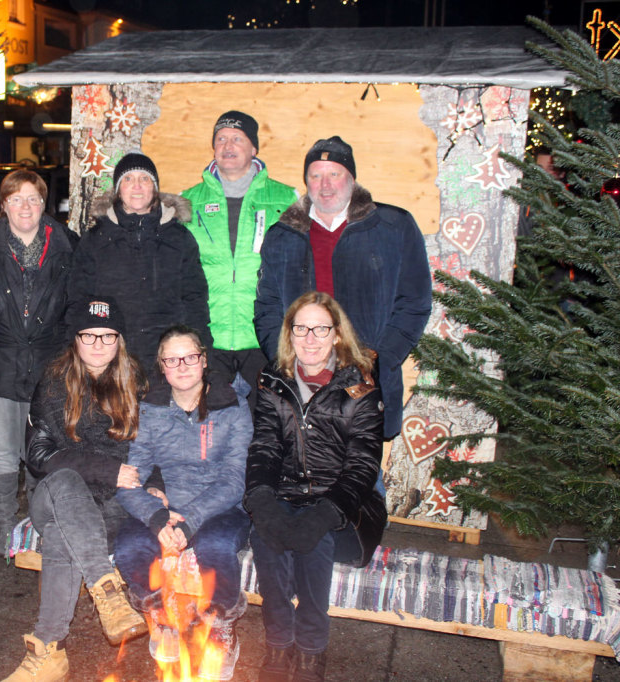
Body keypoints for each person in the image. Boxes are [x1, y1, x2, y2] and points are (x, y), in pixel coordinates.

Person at [3, 297, 148, 682]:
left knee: (63, 537)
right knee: (66, 483)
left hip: (108, 511)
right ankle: (109, 594)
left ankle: (49, 651)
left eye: (107, 336)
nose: (98, 345)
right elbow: (37, 455)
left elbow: (152, 450)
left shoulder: (137, 382)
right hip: (53, 497)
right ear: (75, 339)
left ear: (120, 340)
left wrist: (158, 488)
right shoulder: (53, 382)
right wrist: (106, 467)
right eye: (89, 335)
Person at [244, 292, 387, 682]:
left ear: (337, 335)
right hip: (287, 493)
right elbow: (265, 447)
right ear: (289, 334)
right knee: (266, 535)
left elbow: (362, 466)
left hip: (344, 504)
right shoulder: (275, 379)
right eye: (301, 328)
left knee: (315, 541)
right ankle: (277, 642)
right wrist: (261, 500)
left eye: (320, 329)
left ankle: (310, 650)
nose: (310, 338)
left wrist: (324, 513)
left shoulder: (361, 385)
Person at [254, 136, 432, 439]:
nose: (325, 185)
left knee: (361, 477)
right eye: (315, 175)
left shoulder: (393, 226)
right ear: (306, 181)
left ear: (351, 178)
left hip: (365, 383)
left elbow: (414, 303)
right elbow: (267, 306)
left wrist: (378, 360)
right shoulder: (283, 233)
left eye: (334, 174)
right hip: (302, 380)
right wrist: (284, 358)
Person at [114, 325, 252, 680]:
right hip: (168, 507)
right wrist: (158, 517)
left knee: (216, 544)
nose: (183, 366)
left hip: (220, 508)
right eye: (172, 360)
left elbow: (235, 479)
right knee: (129, 545)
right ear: (161, 366)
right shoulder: (151, 410)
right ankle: (161, 615)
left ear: (204, 360)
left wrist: (189, 521)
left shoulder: (232, 407)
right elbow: (129, 478)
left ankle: (220, 623)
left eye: (190, 357)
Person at [0, 169, 75, 556]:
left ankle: (38, 527)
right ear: (4, 206)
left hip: (50, 367)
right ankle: (3, 528)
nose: (25, 207)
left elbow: (73, 309)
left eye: (33, 198)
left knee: (40, 450)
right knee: (2, 451)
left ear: (43, 204)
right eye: (16, 198)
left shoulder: (67, 249)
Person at [182, 111, 297, 404]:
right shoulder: (187, 202)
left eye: (237, 138)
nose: (227, 145)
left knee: (269, 429)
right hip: (209, 338)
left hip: (265, 337)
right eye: (220, 139)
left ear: (253, 148)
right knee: (212, 430)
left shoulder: (287, 200)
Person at [69, 152, 211, 374]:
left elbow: (195, 299)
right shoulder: (95, 239)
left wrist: (198, 350)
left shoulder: (179, 237)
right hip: (114, 359)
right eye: (128, 179)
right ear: (118, 190)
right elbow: (78, 300)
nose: (137, 186)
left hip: (167, 360)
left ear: (154, 188)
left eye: (144, 179)